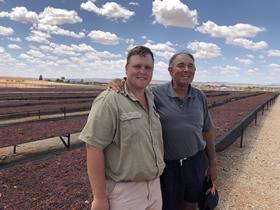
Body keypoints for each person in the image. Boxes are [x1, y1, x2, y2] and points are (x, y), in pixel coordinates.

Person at [109, 51, 218, 210]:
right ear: (170, 70)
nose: (186, 69)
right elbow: (133, 91)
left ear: (194, 71)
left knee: (191, 202)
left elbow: (207, 131)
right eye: (181, 65)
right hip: (168, 166)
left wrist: (213, 162)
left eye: (190, 66)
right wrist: (119, 82)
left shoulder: (199, 96)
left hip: (196, 161)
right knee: (168, 205)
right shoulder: (154, 94)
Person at [79, 46, 165, 210]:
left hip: (154, 188)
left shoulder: (151, 97)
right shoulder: (110, 100)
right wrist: (99, 198)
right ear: (126, 68)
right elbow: (93, 147)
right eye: (137, 66)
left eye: (147, 67)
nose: (142, 71)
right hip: (125, 193)